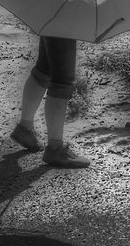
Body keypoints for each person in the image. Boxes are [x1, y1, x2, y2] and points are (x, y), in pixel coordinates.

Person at [9, 35, 90, 168]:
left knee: (45, 69)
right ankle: (55, 149)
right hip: (64, 20)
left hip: (51, 16)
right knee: (62, 81)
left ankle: (24, 129)